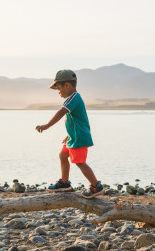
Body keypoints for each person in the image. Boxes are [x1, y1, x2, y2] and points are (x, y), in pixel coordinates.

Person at [35, 69, 104, 198]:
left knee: (79, 162)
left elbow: (61, 112)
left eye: (59, 89)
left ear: (67, 85)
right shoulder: (72, 99)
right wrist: (68, 134)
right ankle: (65, 183)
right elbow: (76, 120)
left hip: (79, 137)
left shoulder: (74, 98)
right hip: (74, 136)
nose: (59, 92)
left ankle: (96, 186)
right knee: (62, 155)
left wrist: (47, 126)